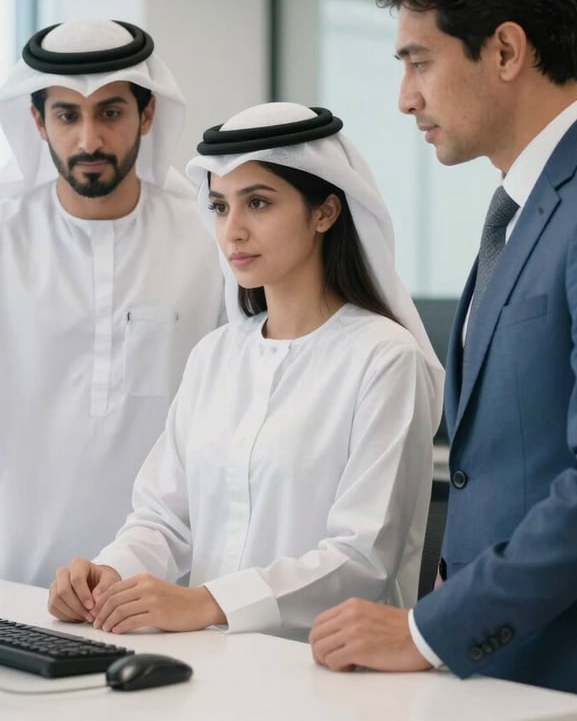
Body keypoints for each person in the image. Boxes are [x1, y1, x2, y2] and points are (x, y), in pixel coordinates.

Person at [309, 0, 577, 719]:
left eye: (419, 62)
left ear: (505, 51)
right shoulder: (524, 207)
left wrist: (430, 629)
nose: (406, 98)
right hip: (508, 670)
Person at [47, 101, 445, 639]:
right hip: (214, 665)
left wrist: (209, 603)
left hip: (331, 668)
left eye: (257, 203)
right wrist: (108, 574)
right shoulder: (215, 356)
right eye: (219, 206)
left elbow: (362, 557)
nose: (232, 230)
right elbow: (165, 517)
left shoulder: (385, 358)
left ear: (325, 212)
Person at [0, 18, 225, 588]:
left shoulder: (210, 241)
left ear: (147, 115)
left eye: (110, 112)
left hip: (157, 594)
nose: (89, 140)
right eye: (66, 115)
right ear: (37, 121)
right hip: (5, 583)